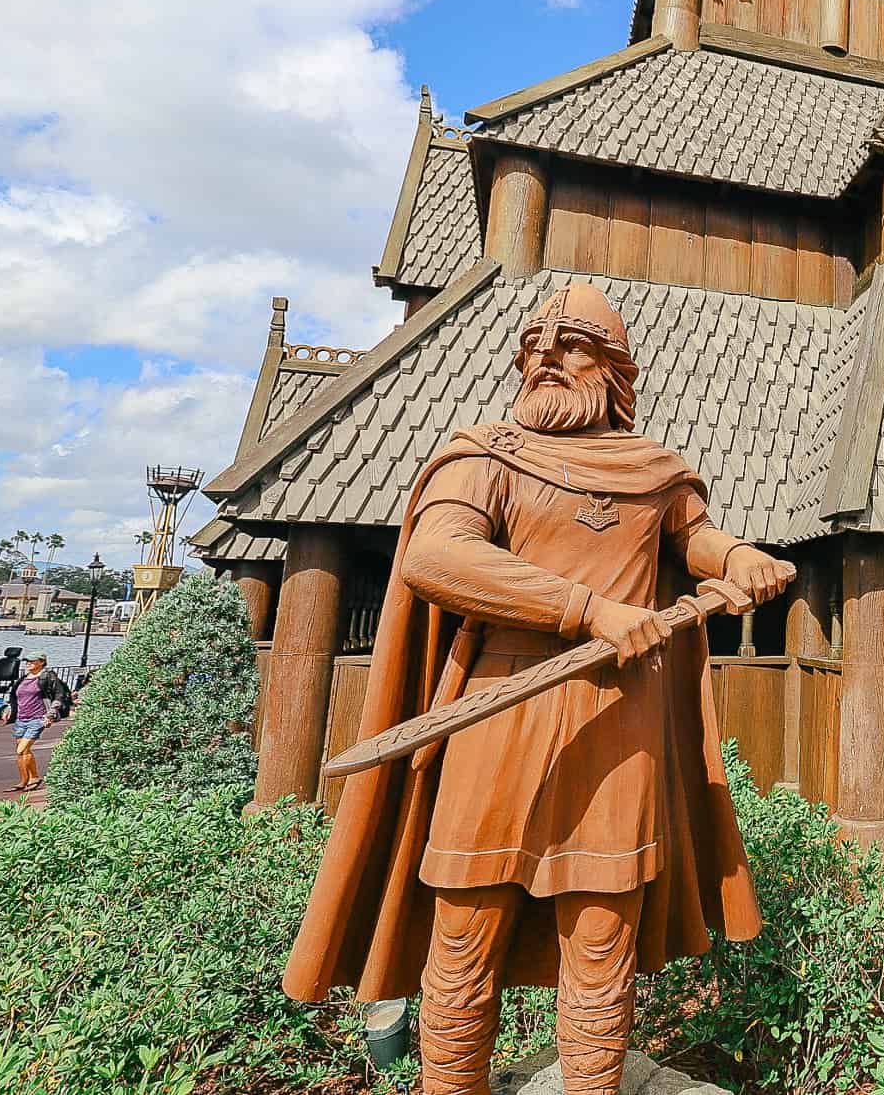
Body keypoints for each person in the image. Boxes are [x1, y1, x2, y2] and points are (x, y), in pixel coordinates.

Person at [284, 284, 793, 1095]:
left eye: (572, 346)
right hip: (498, 715)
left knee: (601, 941)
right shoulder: (485, 455)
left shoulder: (656, 469)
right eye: (533, 345)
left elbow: (693, 535)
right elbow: (436, 555)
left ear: (614, 371)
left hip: (619, 726)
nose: (545, 358)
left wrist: (737, 559)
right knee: (462, 934)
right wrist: (586, 608)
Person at [2, 653, 71, 791]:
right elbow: (15, 697)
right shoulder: (23, 679)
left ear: (41, 662)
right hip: (21, 718)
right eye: (27, 661)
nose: (28, 663)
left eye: (32, 661)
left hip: (37, 718)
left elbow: (59, 695)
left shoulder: (47, 677)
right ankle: (25, 780)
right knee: (23, 752)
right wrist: (9, 709)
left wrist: (50, 714)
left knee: (21, 749)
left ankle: (34, 777)